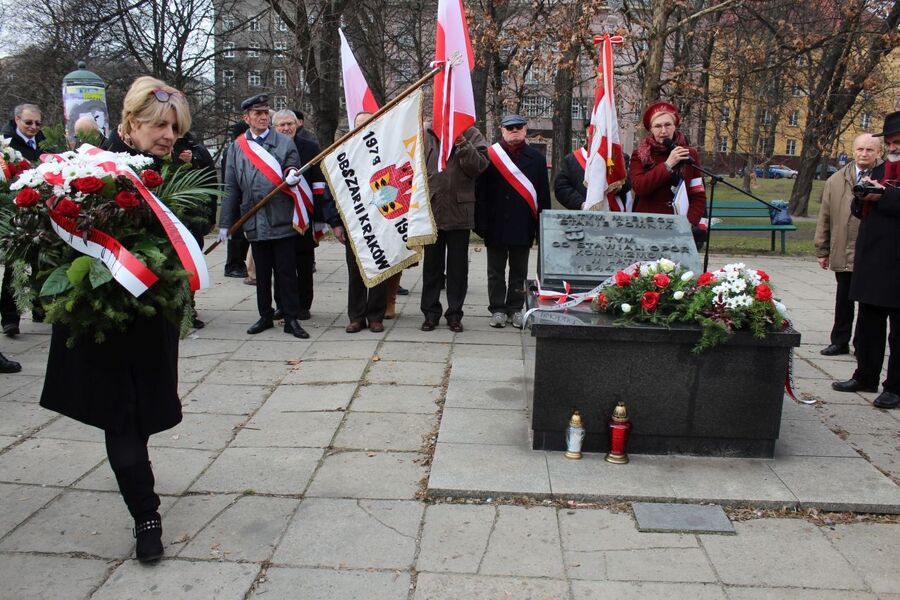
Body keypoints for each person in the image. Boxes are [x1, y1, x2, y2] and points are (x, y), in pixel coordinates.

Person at [40, 76, 191, 563]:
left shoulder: (170, 173)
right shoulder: (92, 170)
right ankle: (146, 516)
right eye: (159, 125)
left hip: (149, 318)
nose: (169, 135)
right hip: (102, 321)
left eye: (175, 127)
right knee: (120, 418)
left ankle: (137, 480)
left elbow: (190, 228)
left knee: (141, 415)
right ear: (130, 123)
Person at [219, 94, 309, 339]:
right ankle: (264, 315)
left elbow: (292, 164)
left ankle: (291, 318)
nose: (262, 117)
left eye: (265, 112)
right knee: (261, 274)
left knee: (287, 272)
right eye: (256, 113)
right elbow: (230, 187)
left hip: (280, 217)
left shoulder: (283, 143)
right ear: (246, 118)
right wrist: (225, 223)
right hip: (254, 219)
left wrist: (292, 175)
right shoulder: (237, 148)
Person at [833, 111, 900, 410]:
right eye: (890, 142)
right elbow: (858, 209)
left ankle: (895, 387)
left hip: (898, 262)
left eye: (898, 141)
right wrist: (863, 197)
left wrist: (883, 197)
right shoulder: (881, 168)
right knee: (868, 324)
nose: (894, 147)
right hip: (873, 257)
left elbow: (889, 200)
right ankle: (865, 374)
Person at [474, 114, 551, 329]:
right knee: (495, 271)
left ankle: (515, 308)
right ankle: (497, 309)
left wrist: (542, 227)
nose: (514, 131)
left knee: (519, 271)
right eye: (510, 128)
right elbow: (481, 193)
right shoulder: (490, 156)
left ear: (526, 130)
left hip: (523, 223)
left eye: (518, 127)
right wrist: (480, 223)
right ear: (502, 131)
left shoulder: (536, 159)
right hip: (495, 222)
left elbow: (543, 194)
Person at [814, 133, 882, 356]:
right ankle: (840, 340)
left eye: (869, 150)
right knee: (843, 299)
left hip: (872, 251)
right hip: (843, 248)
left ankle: (863, 343)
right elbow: (825, 216)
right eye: (860, 149)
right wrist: (822, 249)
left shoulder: (885, 178)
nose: (864, 154)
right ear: (853, 151)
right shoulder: (836, 180)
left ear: (878, 152)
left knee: (868, 303)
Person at [272, 109, 342, 321]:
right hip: (280, 216)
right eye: (281, 125)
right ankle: (282, 305)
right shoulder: (269, 148)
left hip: (305, 215)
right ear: (275, 128)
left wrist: (319, 217)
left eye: (289, 124)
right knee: (281, 266)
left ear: (297, 124)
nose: (286, 128)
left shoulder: (310, 147)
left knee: (303, 264)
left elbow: (319, 183)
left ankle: (303, 305)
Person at [420, 125, 489, 332]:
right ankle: (430, 314)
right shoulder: (427, 134)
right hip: (432, 211)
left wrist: (463, 144)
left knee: (458, 268)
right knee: (432, 267)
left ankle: (454, 314)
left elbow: (479, 167)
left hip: (460, 211)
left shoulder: (471, 133)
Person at [1, 103, 47, 336]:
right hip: (14, 208)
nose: (33, 127)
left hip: (39, 206)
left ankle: (40, 308)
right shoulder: (5, 144)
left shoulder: (44, 141)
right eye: (28, 123)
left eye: (38, 123)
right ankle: (10, 318)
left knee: (42, 260)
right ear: (17, 119)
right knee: (15, 264)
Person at [340, 112, 388, 333]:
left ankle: (376, 316)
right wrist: (335, 222)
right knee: (355, 270)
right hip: (353, 221)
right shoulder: (343, 153)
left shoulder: (385, 150)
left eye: (368, 123)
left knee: (380, 267)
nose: (364, 127)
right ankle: (356, 316)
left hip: (381, 220)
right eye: (359, 124)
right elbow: (335, 190)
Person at [630, 100, 706, 231]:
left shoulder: (689, 153)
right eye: (658, 126)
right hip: (647, 225)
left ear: (675, 126)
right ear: (651, 129)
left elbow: (698, 195)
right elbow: (640, 187)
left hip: (680, 225)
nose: (664, 131)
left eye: (668, 125)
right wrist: (667, 165)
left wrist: (689, 222)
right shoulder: (640, 154)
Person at [174, 130, 218, 329]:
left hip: (193, 219)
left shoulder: (197, 150)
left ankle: (188, 308)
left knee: (190, 265)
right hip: (168, 218)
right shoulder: (153, 150)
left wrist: (210, 217)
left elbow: (210, 182)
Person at [221, 121, 251, 278]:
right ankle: (233, 264)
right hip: (235, 198)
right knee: (236, 234)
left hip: (243, 197)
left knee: (243, 234)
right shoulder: (232, 150)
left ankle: (240, 262)